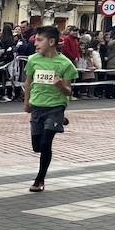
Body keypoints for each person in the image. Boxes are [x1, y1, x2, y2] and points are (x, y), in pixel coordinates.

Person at [22, 26, 76, 193]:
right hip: (37, 105)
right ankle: (60, 121)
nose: (35, 43)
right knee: (37, 146)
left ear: (52, 42)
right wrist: (26, 102)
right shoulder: (33, 60)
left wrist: (61, 85)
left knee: (46, 143)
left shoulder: (65, 64)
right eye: (35, 40)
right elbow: (28, 82)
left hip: (55, 106)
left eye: (39, 40)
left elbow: (69, 91)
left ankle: (39, 180)